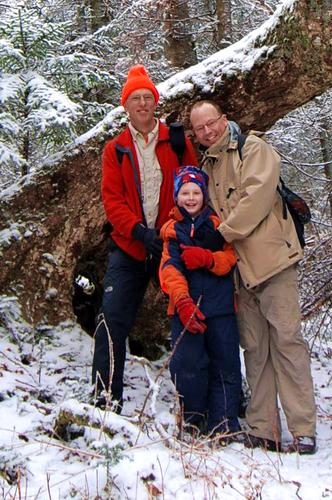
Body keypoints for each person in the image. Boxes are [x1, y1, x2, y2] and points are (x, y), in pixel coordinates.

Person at [189, 100, 317, 454]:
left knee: (287, 342)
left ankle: (303, 428)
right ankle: (264, 428)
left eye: (211, 123)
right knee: (256, 348)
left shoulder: (254, 148)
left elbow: (257, 198)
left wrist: (223, 234)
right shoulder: (207, 165)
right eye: (199, 129)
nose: (207, 132)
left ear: (224, 120)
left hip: (273, 262)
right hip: (240, 272)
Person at [91, 65, 197, 413]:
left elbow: (195, 186)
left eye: (147, 98)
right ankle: (105, 401)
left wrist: (173, 231)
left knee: (192, 313)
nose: (142, 104)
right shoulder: (116, 149)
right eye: (135, 98)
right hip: (130, 246)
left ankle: (201, 403)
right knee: (111, 319)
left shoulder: (176, 142)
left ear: (156, 102)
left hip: (171, 244)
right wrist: (138, 231)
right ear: (126, 106)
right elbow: (112, 200)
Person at [159, 166, 242, 441]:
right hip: (186, 308)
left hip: (220, 308)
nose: (191, 198)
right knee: (187, 364)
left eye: (196, 192)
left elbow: (230, 259)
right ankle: (194, 419)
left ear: (204, 196)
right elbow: (170, 269)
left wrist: (208, 259)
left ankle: (224, 422)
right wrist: (181, 301)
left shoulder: (218, 225)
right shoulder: (172, 230)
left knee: (225, 364)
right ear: (176, 196)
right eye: (185, 192)